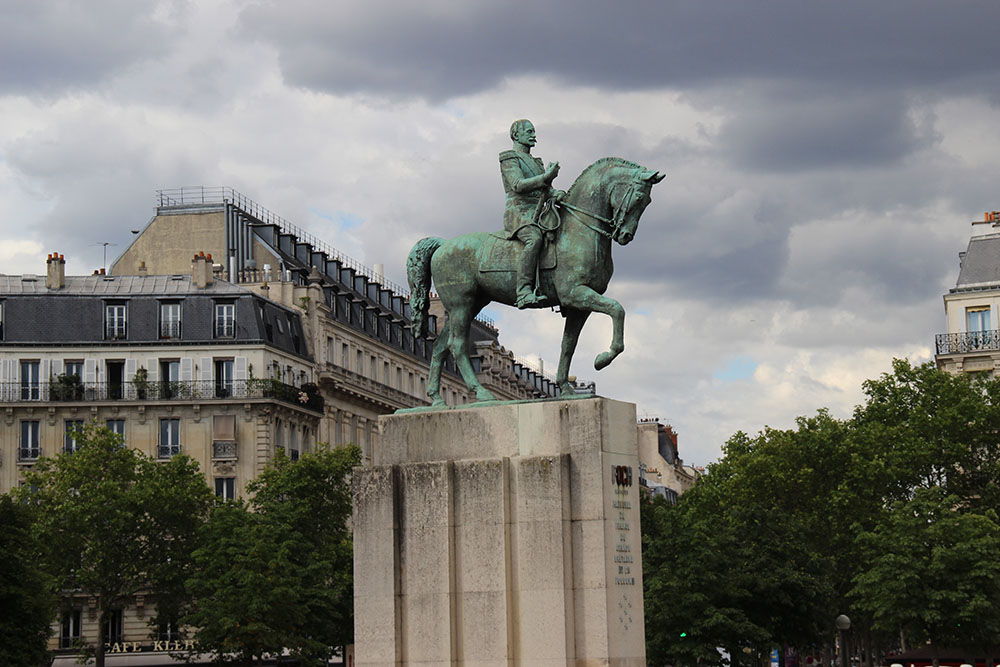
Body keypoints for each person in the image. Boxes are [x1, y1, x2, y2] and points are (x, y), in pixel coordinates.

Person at [499, 119, 564, 308]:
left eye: (533, 131)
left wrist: (557, 193)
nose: (533, 135)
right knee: (534, 239)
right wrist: (545, 177)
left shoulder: (537, 162)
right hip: (519, 213)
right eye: (529, 131)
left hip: (540, 213)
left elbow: (546, 189)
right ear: (516, 135)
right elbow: (517, 185)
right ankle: (524, 291)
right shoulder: (509, 158)